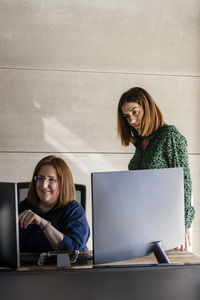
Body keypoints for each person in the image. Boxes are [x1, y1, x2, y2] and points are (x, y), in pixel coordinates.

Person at [117, 87, 195, 251]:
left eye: (135, 112)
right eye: (127, 116)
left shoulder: (169, 135)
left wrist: (184, 225)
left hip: (168, 223)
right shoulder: (141, 142)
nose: (131, 120)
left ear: (148, 108)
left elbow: (185, 182)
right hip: (142, 222)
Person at [18, 155, 90, 252]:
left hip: (63, 267)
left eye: (51, 179)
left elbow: (74, 251)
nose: (44, 185)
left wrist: (43, 224)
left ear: (62, 183)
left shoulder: (74, 211)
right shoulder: (22, 207)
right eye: (40, 178)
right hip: (27, 267)